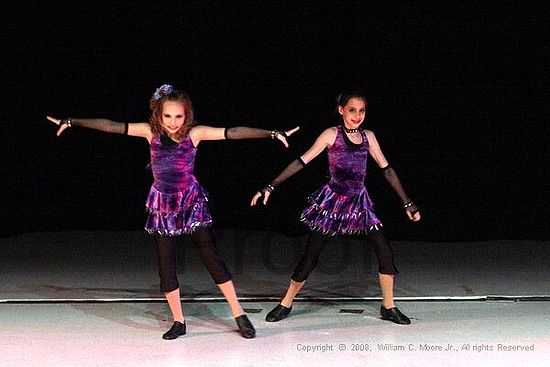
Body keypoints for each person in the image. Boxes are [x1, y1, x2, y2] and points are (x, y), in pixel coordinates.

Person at [47, 84, 299, 340]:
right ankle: (179, 320)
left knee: (210, 256)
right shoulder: (149, 132)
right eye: (168, 116)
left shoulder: (195, 133)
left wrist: (271, 133)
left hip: (190, 201)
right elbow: (112, 126)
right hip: (162, 204)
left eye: (178, 116)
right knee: (166, 266)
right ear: (158, 114)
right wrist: (72, 121)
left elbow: (232, 132)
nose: (173, 122)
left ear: (186, 115)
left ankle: (238, 313)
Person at [251, 91, 420, 325]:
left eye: (362, 111)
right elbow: (302, 160)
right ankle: (285, 303)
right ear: (341, 109)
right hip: (332, 202)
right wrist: (271, 185)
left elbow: (387, 168)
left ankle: (388, 307)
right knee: (311, 256)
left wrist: (407, 202)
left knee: (384, 251)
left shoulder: (368, 136)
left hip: (359, 203)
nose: (357, 115)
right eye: (352, 110)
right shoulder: (331, 135)